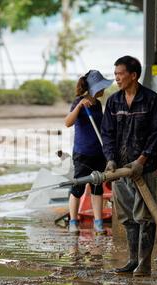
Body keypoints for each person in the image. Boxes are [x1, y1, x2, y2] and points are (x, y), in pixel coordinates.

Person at [101, 56, 157, 276]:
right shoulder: (113, 102)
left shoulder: (151, 100)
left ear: (133, 75)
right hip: (120, 171)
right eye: (115, 74)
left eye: (120, 74)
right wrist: (110, 160)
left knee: (145, 217)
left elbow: (156, 135)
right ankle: (132, 260)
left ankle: (144, 264)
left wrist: (141, 160)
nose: (116, 78)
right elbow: (107, 134)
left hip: (143, 170)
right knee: (128, 217)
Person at [64, 70, 114, 235]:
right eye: (101, 87)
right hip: (82, 153)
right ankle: (73, 222)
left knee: (97, 187)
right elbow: (68, 122)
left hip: (98, 153)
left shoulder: (98, 104)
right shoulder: (79, 101)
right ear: (93, 88)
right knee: (77, 188)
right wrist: (79, 107)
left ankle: (98, 223)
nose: (104, 90)